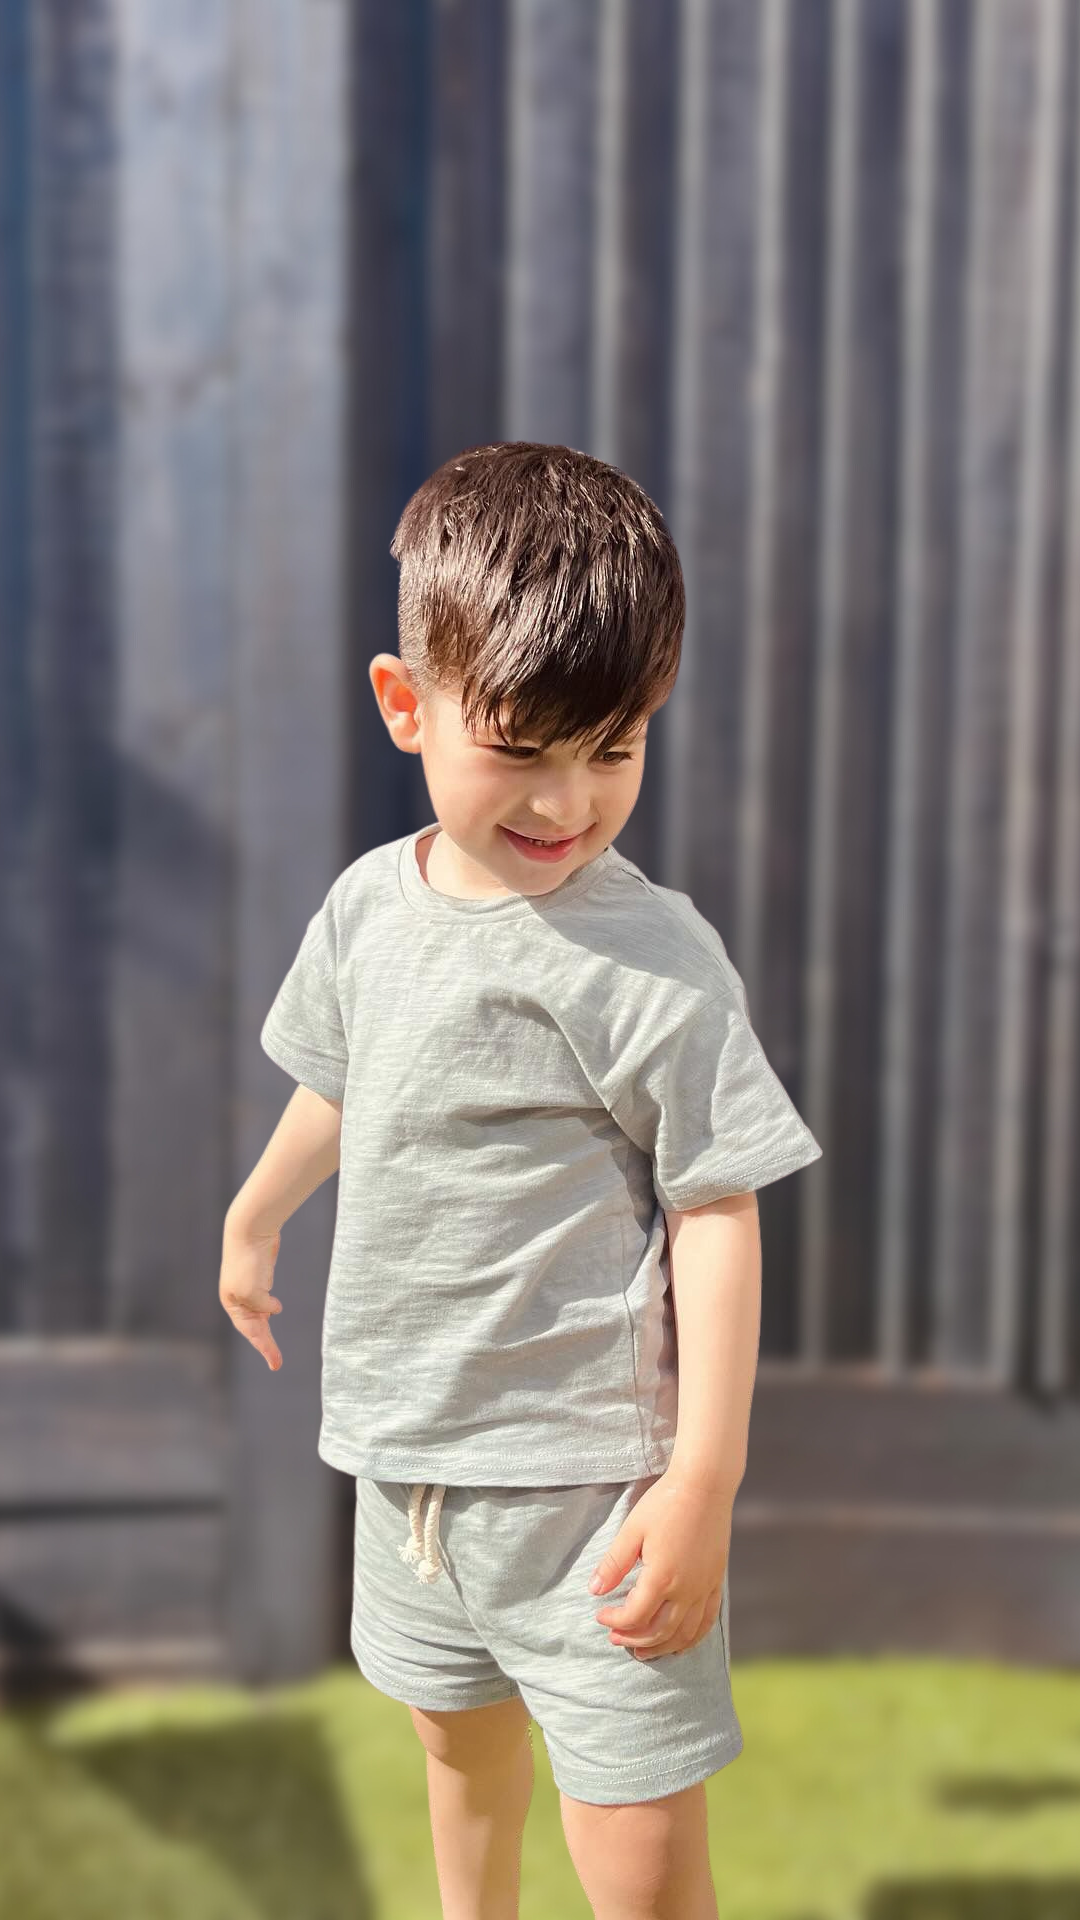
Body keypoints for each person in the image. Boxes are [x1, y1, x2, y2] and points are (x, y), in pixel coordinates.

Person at [219, 440, 822, 1920]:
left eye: (613, 749)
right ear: (406, 705)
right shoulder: (371, 907)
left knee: (633, 1830)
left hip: (591, 1498)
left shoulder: (649, 960)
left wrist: (704, 1482)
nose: (569, 798)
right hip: (410, 1457)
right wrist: (253, 1215)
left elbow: (719, 1206)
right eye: (524, 746)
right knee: (457, 1753)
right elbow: (347, 1083)